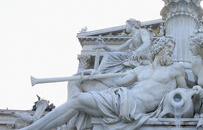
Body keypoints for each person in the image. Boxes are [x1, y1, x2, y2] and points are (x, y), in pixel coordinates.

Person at [21, 36, 187, 130]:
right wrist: (97, 75)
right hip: (121, 97)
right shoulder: (140, 70)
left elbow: (185, 92)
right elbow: (117, 83)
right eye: (168, 47)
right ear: (157, 49)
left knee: (77, 101)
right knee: (79, 85)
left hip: (133, 107)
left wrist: (195, 91)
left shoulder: (176, 69)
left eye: (171, 48)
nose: (170, 51)